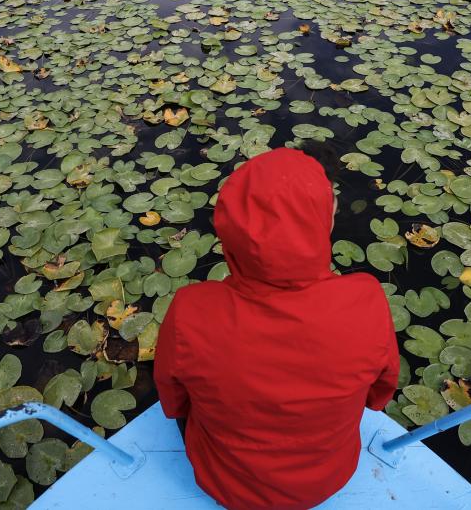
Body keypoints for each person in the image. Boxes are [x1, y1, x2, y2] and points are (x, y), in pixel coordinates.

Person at [154, 145, 400, 510]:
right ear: (326, 217)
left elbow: (174, 405)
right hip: (327, 478)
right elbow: (378, 396)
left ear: (227, 227)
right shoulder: (367, 300)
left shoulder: (190, 310)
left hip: (224, 483)